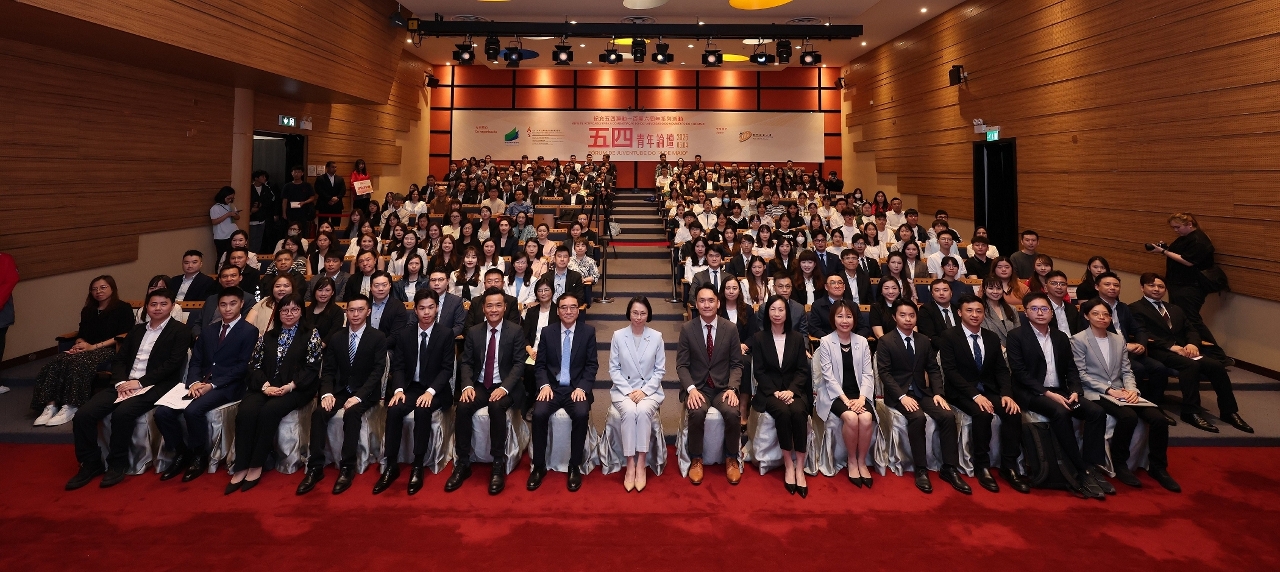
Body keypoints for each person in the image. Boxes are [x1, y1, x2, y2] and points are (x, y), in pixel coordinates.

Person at [65, 289, 192, 490]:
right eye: (153, 304)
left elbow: (172, 364)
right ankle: (90, 462)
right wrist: (120, 382)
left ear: (172, 306)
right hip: (124, 383)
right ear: (146, 307)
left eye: (163, 304)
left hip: (156, 384)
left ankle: (118, 463)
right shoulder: (137, 330)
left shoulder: (180, 330)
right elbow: (119, 360)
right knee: (83, 415)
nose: (158, 308)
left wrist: (140, 383)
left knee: (122, 413)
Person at [1006, 293, 1111, 500]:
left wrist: (1075, 391)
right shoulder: (1016, 336)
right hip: (1032, 392)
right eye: (1034, 309)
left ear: (1051, 313)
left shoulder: (1060, 336)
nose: (1040, 312)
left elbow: (1071, 368)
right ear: (1026, 312)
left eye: (1044, 308)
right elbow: (1020, 373)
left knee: (1096, 412)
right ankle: (1079, 469)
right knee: (1060, 413)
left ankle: (1091, 465)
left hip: (1061, 390)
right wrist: (1047, 393)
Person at [1072, 299, 1181, 492]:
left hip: (1121, 390)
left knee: (1158, 419)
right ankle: (1120, 463)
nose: (1102, 317)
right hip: (1096, 392)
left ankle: (1158, 467)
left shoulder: (1118, 340)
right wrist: (1108, 390)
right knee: (1128, 416)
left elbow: (1127, 371)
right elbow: (1081, 374)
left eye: (1106, 314)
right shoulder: (1078, 340)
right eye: (1096, 313)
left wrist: (1132, 390)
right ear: (1086, 316)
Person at [156, 287, 258, 483]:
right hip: (199, 382)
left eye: (233, 304)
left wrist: (213, 385)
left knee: (193, 411)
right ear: (218, 306)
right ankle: (181, 452)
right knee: (162, 413)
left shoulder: (249, 331)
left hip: (228, 386)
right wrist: (194, 382)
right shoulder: (209, 330)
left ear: (241, 304)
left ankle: (198, 455)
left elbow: (242, 367)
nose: (227, 309)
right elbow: (196, 360)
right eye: (223, 305)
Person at [1130, 273, 1251, 434]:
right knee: (1190, 365)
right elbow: (1142, 333)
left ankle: (1229, 411)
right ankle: (1190, 411)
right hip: (1158, 351)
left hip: (1184, 349)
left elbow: (1191, 329)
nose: (1157, 289)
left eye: (1161, 286)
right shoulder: (1135, 308)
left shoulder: (1174, 308)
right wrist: (1170, 346)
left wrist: (1192, 344)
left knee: (1216, 365)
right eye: (1152, 285)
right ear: (1142, 287)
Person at [225, 294, 322, 494]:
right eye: (285, 310)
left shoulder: (310, 334)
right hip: (266, 386)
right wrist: (264, 386)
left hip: (297, 388)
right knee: (246, 411)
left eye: (295, 309)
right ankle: (241, 465)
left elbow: (312, 367)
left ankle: (256, 465)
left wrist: (291, 386)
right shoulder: (268, 336)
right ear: (278, 313)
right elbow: (254, 365)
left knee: (269, 411)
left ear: (301, 312)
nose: (289, 314)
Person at [296, 295, 388, 495]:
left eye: (360, 310)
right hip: (339, 390)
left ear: (368, 312)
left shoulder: (378, 337)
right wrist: (326, 393)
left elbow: (377, 372)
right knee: (319, 413)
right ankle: (315, 467)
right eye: (351, 310)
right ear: (346, 312)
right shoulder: (337, 337)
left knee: (352, 413)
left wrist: (359, 396)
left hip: (365, 392)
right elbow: (328, 370)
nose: (355, 314)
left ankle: (347, 467)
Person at [938, 295, 1029, 493]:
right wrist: (975, 395)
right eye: (969, 310)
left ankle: (1009, 466)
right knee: (983, 413)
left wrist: (1006, 394)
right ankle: (982, 466)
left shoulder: (991, 337)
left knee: (1013, 412)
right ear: (959, 313)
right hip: (961, 392)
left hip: (989, 390)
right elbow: (951, 372)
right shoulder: (949, 336)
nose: (974, 315)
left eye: (979, 311)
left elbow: (1001, 370)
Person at [875, 299, 968, 494]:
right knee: (917, 418)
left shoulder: (923, 340)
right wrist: (901, 396)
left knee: (947, 415)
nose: (908, 319)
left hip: (922, 392)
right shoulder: (886, 341)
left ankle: (949, 468)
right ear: (894, 317)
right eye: (903, 315)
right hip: (899, 395)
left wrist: (938, 393)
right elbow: (885, 373)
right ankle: (921, 468)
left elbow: (933, 369)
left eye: (911, 315)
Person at [447, 288, 528, 495]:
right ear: (483, 308)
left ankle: (498, 462)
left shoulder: (515, 331)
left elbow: (519, 364)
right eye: (489, 305)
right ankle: (463, 462)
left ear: (505, 307)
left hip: (505, 385)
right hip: (481, 384)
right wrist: (467, 386)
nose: (494, 309)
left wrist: (504, 388)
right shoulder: (474, 332)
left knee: (496, 406)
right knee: (463, 406)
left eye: (498, 305)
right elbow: (466, 362)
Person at [375, 289, 456, 495]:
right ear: (415, 310)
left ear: (437, 308)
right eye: (422, 308)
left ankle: (418, 464)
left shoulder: (446, 334)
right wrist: (398, 389)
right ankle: (391, 464)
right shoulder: (405, 335)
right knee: (394, 409)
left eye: (431, 307)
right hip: (411, 387)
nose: (426, 312)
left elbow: (447, 369)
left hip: (436, 390)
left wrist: (430, 392)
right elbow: (399, 367)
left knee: (422, 410)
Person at [31, 276, 134, 427]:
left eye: (103, 287)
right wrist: (79, 344)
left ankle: (71, 405)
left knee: (79, 362)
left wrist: (93, 347)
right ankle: (50, 405)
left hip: (109, 349)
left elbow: (125, 334)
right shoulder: (88, 310)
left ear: (112, 288)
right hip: (87, 348)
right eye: (94, 289)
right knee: (57, 361)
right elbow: (82, 333)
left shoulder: (123, 308)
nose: (98, 291)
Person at [528, 293, 598, 493]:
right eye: (564, 307)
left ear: (579, 310)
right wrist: (544, 385)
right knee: (539, 413)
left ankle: (574, 465)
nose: (568, 311)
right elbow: (540, 365)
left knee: (581, 413)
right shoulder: (547, 332)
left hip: (576, 388)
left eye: (573, 307)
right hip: (552, 387)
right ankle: (538, 466)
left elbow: (591, 365)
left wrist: (582, 388)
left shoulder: (588, 332)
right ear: (557, 311)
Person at [676, 285, 744, 485]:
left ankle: (731, 458)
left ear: (718, 303)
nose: (706, 305)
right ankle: (696, 459)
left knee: (732, 412)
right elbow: (682, 365)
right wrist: (691, 389)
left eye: (711, 300)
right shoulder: (687, 329)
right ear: (696, 304)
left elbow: (737, 364)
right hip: (699, 387)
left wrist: (732, 388)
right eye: (702, 301)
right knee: (697, 412)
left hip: (723, 387)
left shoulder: (730, 328)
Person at [1092, 272, 1176, 425]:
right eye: (1108, 284)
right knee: (1137, 369)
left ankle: (1153, 406)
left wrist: (1141, 344)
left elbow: (1139, 329)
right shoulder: (1091, 307)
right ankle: (1133, 405)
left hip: (1129, 352)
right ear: (1097, 287)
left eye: (1116, 285)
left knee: (1159, 368)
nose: (1112, 288)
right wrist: (1124, 345)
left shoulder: (1123, 307)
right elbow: (1093, 335)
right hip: (1107, 353)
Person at [752, 296, 813, 497]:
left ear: (787, 313)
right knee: (783, 413)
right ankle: (788, 464)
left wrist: (791, 390)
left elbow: (802, 370)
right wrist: (775, 391)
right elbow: (759, 371)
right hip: (770, 392)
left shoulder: (797, 338)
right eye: (773, 309)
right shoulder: (759, 338)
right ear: (767, 312)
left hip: (793, 390)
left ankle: (800, 467)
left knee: (798, 412)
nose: (777, 314)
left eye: (781, 310)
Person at [815, 300, 876, 487]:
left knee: (866, 418)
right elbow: (828, 377)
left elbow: (868, 374)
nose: (844, 321)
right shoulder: (826, 342)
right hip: (834, 393)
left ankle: (862, 461)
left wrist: (861, 399)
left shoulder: (862, 342)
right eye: (840, 316)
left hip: (859, 393)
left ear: (854, 319)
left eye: (848, 316)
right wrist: (846, 401)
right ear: (833, 319)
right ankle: (851, 460)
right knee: (850, 417)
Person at [1149, 213, 1225, 356]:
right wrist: (1165, 249)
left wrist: (1164, 251)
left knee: (1191, 319)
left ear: (1189, 224)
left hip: (1191, 286)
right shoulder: (1185, 238)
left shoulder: (1199, 240)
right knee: (1180, 318)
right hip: (1179, 284)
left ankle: (1216, 354)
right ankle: (1191, 349)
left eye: (1177, 227)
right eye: (1173, 228)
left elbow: (1188, 261)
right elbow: (1178, 253)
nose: (1175, 230)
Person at [192, 265, 253, 336]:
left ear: (240, 278)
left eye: (233, 276)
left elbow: (245, 325)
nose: (229, 279)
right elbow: (198, 323)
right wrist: (198, 337)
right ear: (220, 280)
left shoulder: (248, 299)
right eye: (225, 276)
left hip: (232, 337)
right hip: (206, 336)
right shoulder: (211, 299)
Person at [368, 271, 409, 345]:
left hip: (388, 348)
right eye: (376, 285)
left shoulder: (398, 306)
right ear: (371, 287)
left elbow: (396, 335)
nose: (381, 289)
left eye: (384, 285)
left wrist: (376, 348)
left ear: (390, 285)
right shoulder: (364, 305)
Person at [981, 276, 1022, 347]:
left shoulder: (1012, 309)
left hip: (1014, 348)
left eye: (998, 288)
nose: (995, 292)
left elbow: (1018, 332)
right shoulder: (980, 310)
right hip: (992, 348)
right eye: (991, 288)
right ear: (984, 290)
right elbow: (985, 335)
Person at [915, 279, 958, 347]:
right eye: (937, 290)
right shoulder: (925, 310)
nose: (941, 293)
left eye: (945, 290)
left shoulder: (958, 309)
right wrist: (950, 347)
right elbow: (930, 336)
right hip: (937, 349)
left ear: (951, 293)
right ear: (932, 294)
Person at [428, 270, 468, 338]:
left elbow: (459, 326)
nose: (436, 283)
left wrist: (444, 336)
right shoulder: (422, 300)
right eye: (433, 280)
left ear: (447, 281)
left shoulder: (456, 301)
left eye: (441, 280)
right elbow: (413, 323)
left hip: (446, 340)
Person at [248, 170, 279, 254]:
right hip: (251, 218)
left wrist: (262, 204)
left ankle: (256, 255)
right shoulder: (249, 187)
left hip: (262, 217)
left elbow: (272, 199)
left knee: (259, 239)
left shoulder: (266, 188)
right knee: (251, 239)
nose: (265, 178)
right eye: (262, 176)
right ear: (256, 178)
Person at [282, 165, 317, 235]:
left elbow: (312, 197)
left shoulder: (307, 185)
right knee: (291, 231)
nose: (296, 174)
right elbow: (284, 200)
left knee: (304, 231)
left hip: (304, 212)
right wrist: (284, 213)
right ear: (292, 173)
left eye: (298, 172)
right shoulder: (287, 186)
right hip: (291, 213)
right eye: (295, 172)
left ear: (302, 173)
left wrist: (304, 202)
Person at [210, 186, 241, 262]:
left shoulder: (231, 206)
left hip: (233, 233)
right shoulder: (215, 207)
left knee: (233, 256)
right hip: (222, 236)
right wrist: (228, 214)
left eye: (232, 198)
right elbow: (214, 222)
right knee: (222, 258)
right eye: (228, 198)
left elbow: (238, 218)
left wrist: (235, 214)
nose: (230, 200)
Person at [315, 161, 346, 227]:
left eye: (335, 167)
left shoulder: (340, 179)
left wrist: (337, 198)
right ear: (327, 168)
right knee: (323, 224)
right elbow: (319, 190)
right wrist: (330, 198)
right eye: (332, 167)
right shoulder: (320, 178)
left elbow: (343, 191)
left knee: (336, 225)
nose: (334, 169)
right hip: (324, 204)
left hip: (337, 205)